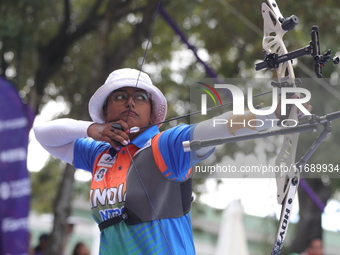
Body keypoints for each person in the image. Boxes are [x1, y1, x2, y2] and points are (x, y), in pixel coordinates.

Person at [34, 68, 311, 254]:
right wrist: (91, 130)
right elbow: (43, 133)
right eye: (120, 96)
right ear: (105, 111)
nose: (130, 103)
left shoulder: (164, 145)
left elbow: (218, 127)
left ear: (152, 111)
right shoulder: (99, 154)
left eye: (140, 97)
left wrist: (273, 114)